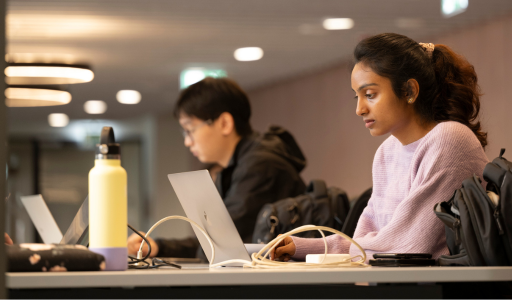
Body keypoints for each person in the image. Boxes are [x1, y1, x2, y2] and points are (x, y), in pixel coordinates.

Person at [271, 33, 489, 262]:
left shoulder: (450, 139)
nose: (360, 109)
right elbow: (364, 241)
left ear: (409, 91)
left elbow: (409, 246)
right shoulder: (387, 152)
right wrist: (303, 247)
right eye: (357, 97)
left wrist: (322, 250)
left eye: (370, 94)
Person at [127, 77, 307, 259]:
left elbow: (220, 246)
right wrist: (158, 246)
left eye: (190, 129)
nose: (187, 141)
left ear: (224, 123)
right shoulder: (241, 165)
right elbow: (212, 243)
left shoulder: (260, 165)